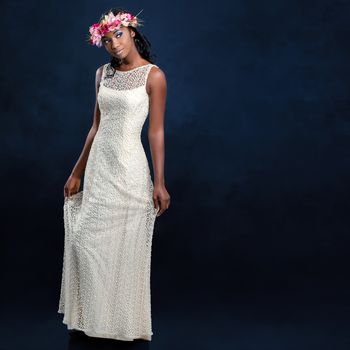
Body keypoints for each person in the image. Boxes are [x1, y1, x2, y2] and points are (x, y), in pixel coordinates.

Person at [57, 8, 171, 341]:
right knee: (87, 242)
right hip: (100, 170)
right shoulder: (101, 74)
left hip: (130, 169)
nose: (113, 44)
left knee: (124, 248)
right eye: (106, 40)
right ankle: (93, 319)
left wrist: (160, 182)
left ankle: (120, 325)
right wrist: (76, 171)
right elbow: (96, 126)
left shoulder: (154, 76)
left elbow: (157, 132)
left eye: (117, 35)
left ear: (132, 32)